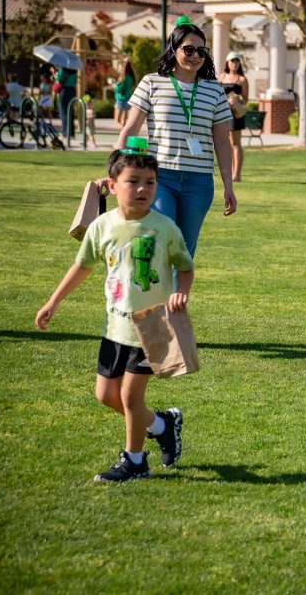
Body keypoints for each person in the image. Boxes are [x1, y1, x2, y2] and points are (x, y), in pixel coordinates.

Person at [35, 140, 194, 483]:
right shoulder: (102, 226)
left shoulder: (165, 228)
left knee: (129, 395)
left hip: (154, 324)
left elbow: (186, 266)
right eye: (133, 181)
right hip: (115, 327)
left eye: (150, 182)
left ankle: (135, 461)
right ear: (111, 185)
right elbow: (82, 266)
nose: (142, 189)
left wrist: (182, 291)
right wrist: (53, 301)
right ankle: (162, 425)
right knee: (106, 395)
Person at [113, 15, 237, 258]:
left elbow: (222, 141)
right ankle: (153, 293)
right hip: (159, 178)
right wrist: (115, 172)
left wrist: (229, 185)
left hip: (199, 182)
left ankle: (174, 297)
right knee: (159, 239)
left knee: (183, 250)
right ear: (173, 49)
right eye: (188, 49)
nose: (195, 56)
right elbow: (130, 129)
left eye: (201, 51)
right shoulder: (151, 83)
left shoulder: (214, 90)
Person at [219, 52, 249, 182]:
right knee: (226, 144)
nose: (235, 64)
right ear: (227, 63)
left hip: (236, 114)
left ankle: (237, 175)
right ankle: (229, 172)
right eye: (232, 61)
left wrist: (237, 99)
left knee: (236, 144)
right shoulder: (222, 77)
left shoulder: (242, 79)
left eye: (237, 61)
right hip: (223, 114)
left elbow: (245, 99)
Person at [56, 66, 78, 140]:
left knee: (63, 112)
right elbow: (75, 81)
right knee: (70, 112)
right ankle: (71, 133)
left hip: (64, 90)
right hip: (72, 90)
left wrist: (55, 75)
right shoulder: (74, 71)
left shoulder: (62, 70)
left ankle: (65, 133)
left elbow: (58, 80)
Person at [114, 59, 135, 129]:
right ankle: (125, 133)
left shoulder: (123, 77)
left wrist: (115, 86)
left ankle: (124, 133)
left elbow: (119, 89)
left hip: (121, 99)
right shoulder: (131, 77)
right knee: (124, 120)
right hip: (128, 98)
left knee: (117, 120)